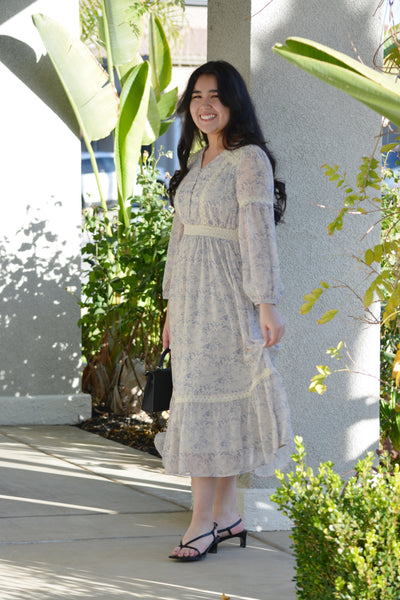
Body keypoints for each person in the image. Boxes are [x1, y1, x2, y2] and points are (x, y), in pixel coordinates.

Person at [154, 60, 293, 562]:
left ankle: (201, 522)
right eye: (196, 96)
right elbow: (179, 239)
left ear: (234, 103)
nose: (204, 105)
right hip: (190, 303)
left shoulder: (248, 159)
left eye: (215, 95)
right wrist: (171, 307)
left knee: (219, 403)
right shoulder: (194, 164)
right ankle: (228, 514)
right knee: (209, 402)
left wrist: (266, 302)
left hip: (228, 299)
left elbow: (258, 236)